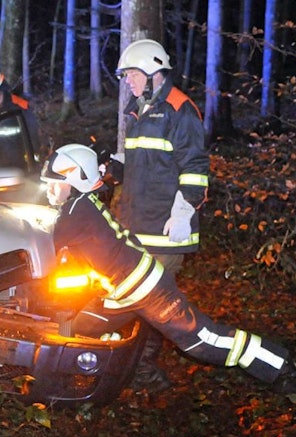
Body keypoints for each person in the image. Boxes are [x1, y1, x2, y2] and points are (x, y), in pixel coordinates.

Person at [40, 144, 296, 395]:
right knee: (77, 330)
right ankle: (88, 380)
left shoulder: (75, 213)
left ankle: (283, 367)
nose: (49, 190)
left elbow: (43, 237)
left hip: (147, 291)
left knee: (203, 341)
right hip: (119, 293)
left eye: (54, 184)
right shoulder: (81, 205)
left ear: (76, 181)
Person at [107, 39, 211, 391]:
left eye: (132, 74)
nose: (128, 81)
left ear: (153, 73)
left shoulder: (179, 110)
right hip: (137, 229)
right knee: (139, 302)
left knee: (149, 305)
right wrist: (111, 169)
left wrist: (183, 212)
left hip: (165, 232)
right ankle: (133, 370)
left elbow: (195, 168)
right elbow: (145, 164)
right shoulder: (139, 111)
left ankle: (145, 374)